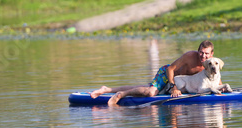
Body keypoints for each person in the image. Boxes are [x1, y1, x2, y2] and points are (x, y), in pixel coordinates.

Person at [90, 40, 226, 106]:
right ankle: (121, 95)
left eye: (206, 54)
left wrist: (223, 90)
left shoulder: (210, 64)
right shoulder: (190, 56)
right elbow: (170, 69)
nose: (203, 56)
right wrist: (174, 87)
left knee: (146, 88)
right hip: (168, 75)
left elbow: (216, 81)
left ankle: (106, 89)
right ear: (198, 51)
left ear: (211, 54)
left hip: (180, 83)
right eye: (201, 52)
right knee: (150, 93)